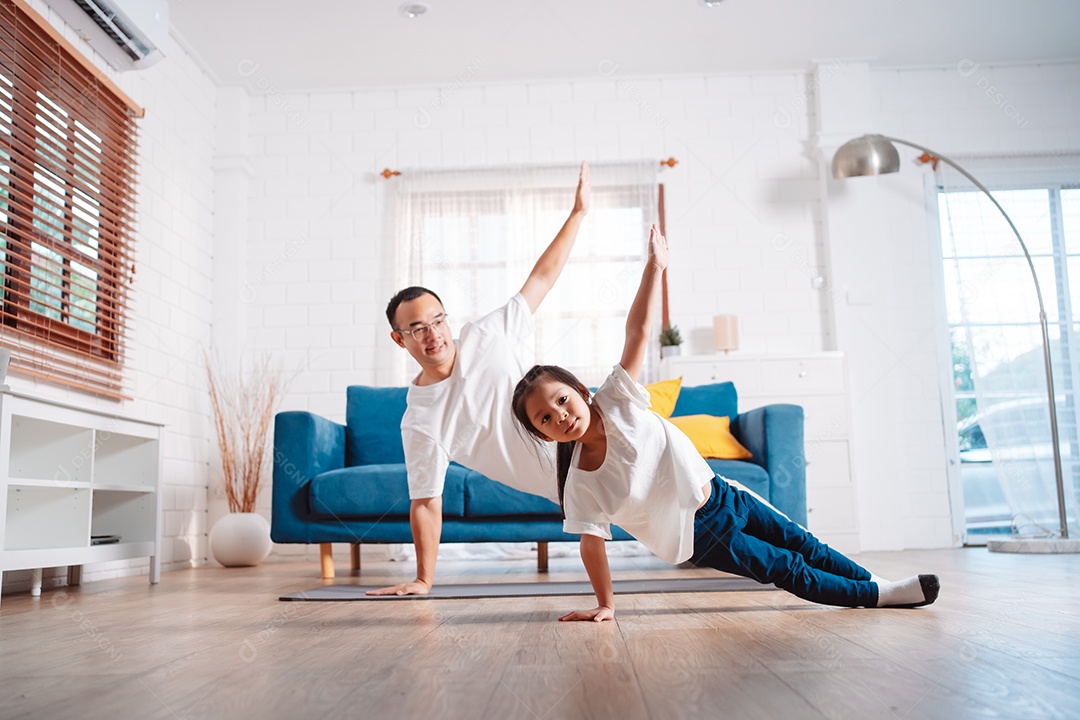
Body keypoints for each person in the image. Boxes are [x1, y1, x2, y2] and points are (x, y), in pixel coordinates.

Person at [511, 224, 940, 621]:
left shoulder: (616, 399)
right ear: (542, 434)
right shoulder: (581, 482)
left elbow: (638, 333)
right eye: (545, 419)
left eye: (562, 401)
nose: (561, 417)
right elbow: (591, 546)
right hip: (697, 534)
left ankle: (877, 583)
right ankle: (878, 597)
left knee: (802, 543)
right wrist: (605, 605)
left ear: (581, 391)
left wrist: (654, 268)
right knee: (785, 566)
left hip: (722, 493)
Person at [368, 162, 591, 596]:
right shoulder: (421, 420)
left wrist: (578, 214)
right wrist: (423, 579)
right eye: (417, 329)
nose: (432, 334)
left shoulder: (487, 334)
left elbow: (541, 278)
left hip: (601, 440)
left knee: (711, 499)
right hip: (576, 485)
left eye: (437, 320)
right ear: (400, 340)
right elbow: (427, 502)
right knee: (697, 532)